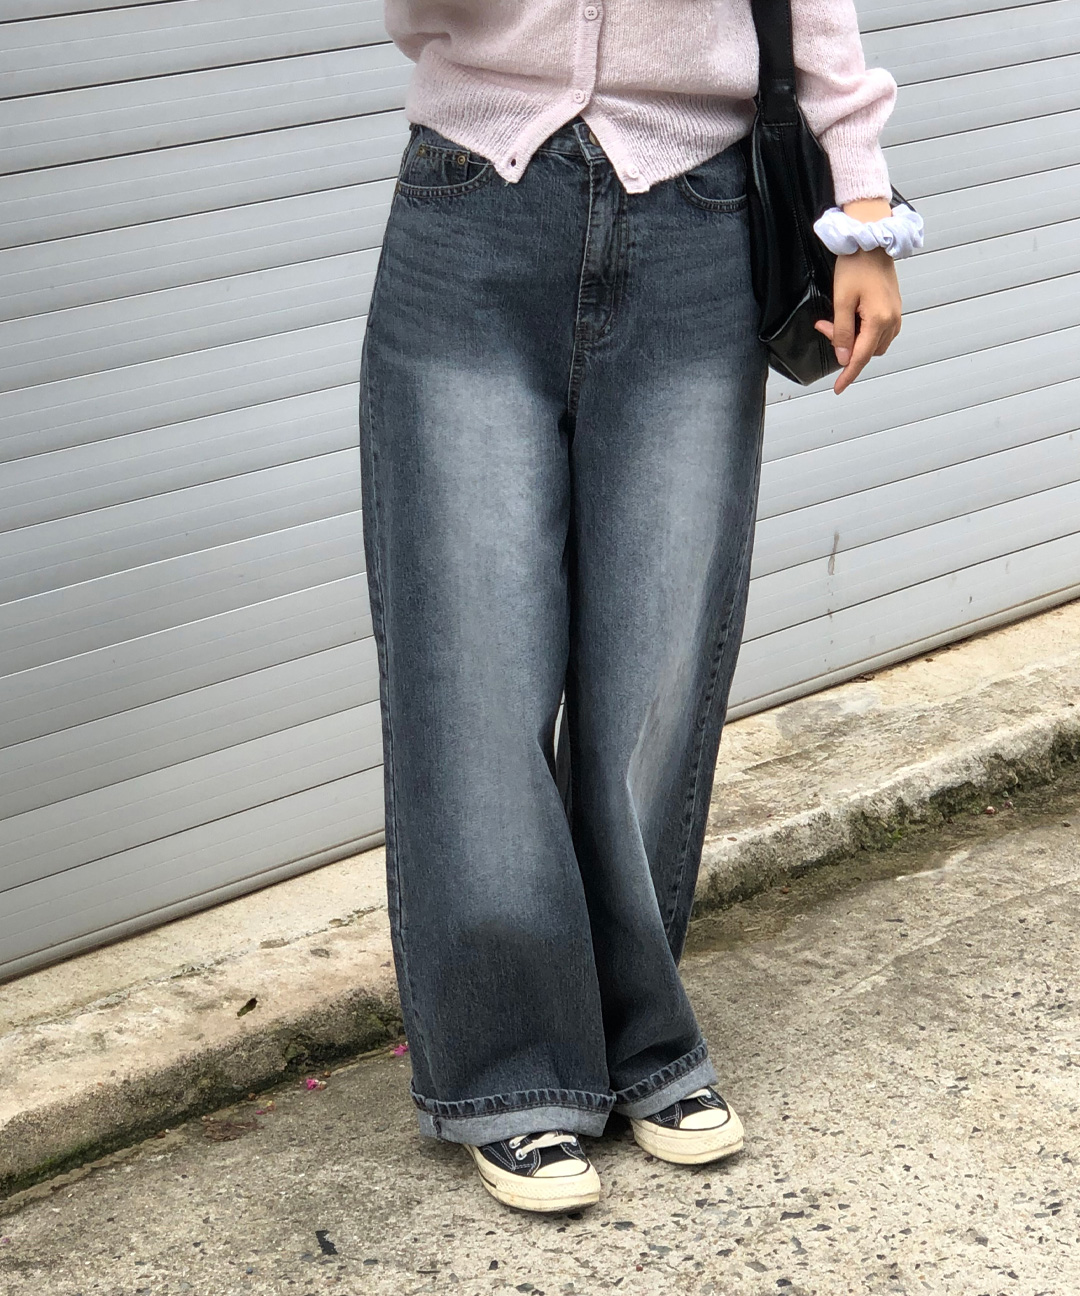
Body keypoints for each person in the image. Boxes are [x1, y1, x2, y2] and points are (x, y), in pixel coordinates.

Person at [359, 0, 907, 1214]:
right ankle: (511, 1067)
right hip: (475, 207)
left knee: (655, 662)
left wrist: (863, 212)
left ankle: (637, 1037)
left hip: (701, 215)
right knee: (471, 663)